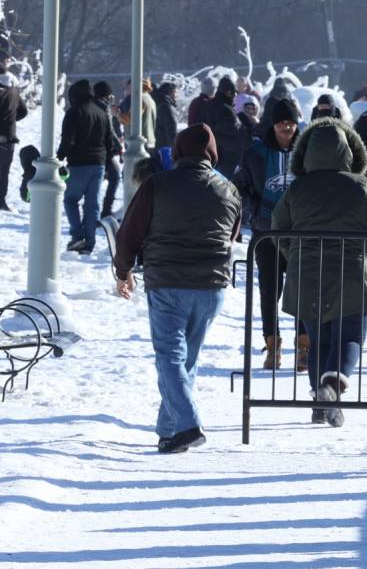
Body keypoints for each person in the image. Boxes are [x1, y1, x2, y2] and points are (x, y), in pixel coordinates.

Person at [113, 124, 241, 454]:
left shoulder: (157, 185)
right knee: (186, 361)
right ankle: (170, 432)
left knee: (170, 356)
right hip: (211, 286)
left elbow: (130, 231)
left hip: (168, 281)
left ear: (179, 150)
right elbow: (232, 235)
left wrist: (123, 270)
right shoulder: (228, 189)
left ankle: (187, 425)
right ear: (212, 153)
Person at [272, 116, 367, 427]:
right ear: (350, 152)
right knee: (350, 336)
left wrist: (294, 255)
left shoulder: (297, 188)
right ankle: (332, 389)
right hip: (353, 271)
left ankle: (319, 400)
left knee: (318, 339)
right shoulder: (361, 185)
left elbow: (278, 227)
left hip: (307, 272)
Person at [233, 98, 304, 371]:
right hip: (266, 233)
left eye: (291, 122)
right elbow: (239, 186)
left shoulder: (307, 151)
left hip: (300, 233)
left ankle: (304, 345)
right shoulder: (256, 153)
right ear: (273, 125)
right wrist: (254, 213)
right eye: (281, 123)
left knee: (301, 290)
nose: (286, 127)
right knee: (269, 291)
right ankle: (272, 345)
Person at [58, 79, 119, 254]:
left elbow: (67, 140)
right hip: (98, 164)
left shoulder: (74, 112)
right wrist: (106, 165)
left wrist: (59, 158)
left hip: (78, 163)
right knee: (92, 204)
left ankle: (78, 237)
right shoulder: (101, 113)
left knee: (71, 199)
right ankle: (89, 243)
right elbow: (110, 143)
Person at [196, 76, 249, 180]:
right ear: (228, 92)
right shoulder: (227, 110)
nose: (235, 96)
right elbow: (235, 137)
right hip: (225, 161)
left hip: (205, 157)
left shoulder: (205, 106)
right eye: (234, 93)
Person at [0, 50, 28, 211]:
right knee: (3, 171)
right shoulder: (13, 92)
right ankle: (1, 200)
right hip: (8, 138)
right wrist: (10, 120)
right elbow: (23, 111)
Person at [92, 82, 124, 219]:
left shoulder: (89, 106)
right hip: (103, 151)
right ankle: (105, 210)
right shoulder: (104, 109)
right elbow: (109, 131)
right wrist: (119, 147)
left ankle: (97, 211)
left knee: (96, 182)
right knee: (114, 177)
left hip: (93, 150)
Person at [154, 82, 179, 152]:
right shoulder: (166, 106)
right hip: (165, 145)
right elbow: (171, 127)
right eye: (175, 92)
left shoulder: (157, 102)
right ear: (170, 92)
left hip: (156, 143)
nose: (176, 95)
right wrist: (174, 146)